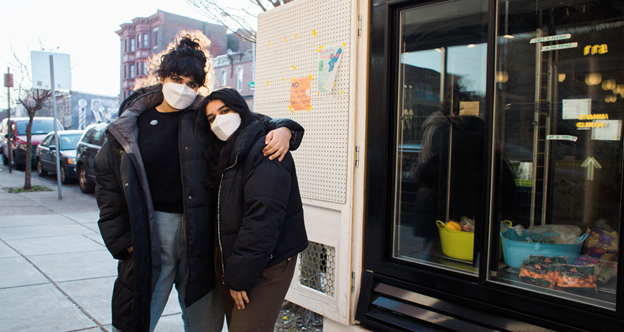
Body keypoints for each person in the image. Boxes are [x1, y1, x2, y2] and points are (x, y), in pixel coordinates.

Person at [94, 32, 303, 332]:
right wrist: (121, 240)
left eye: (192, 84)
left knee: (204, 320)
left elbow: (253, 123)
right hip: (153, 231)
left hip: (201, 230)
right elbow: (107, 179)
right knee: (137, 315)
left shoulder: (204, 117)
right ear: (163, 76)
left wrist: (285, 130)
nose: (184, 89)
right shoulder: (133, 122)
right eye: (177, 79)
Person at [198, 88, 308, 332]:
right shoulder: (227, 151)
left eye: (224, 111)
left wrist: (239, 278)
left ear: (240, 110)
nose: (219, 121)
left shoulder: (265, 148)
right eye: (212, 118)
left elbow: (263, 217)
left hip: (268, 260)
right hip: (239, 260)